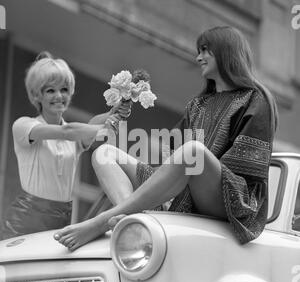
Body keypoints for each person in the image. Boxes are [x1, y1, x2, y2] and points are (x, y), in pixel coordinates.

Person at [54, 26, 278, 251]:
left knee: (193, 153)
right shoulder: (197, 105)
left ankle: (104, 220)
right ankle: (131, 221)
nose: (198, 57)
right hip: (186, 189)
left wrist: (189, 173)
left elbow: (245, 171)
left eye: (204, 50)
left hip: (232, 199)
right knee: (104, 154)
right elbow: (171, 159)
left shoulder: (256, 100)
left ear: (225, 51)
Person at [1, 51, 130, 240]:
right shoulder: (24, 126)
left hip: (62, 218)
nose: (59, 96)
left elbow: (87, 127)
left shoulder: (76, 139)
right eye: (50, 90)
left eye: (64, 90)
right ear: (37, 95)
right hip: (26, 220)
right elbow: (67, 131)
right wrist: (105, 128)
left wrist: (114, 113)